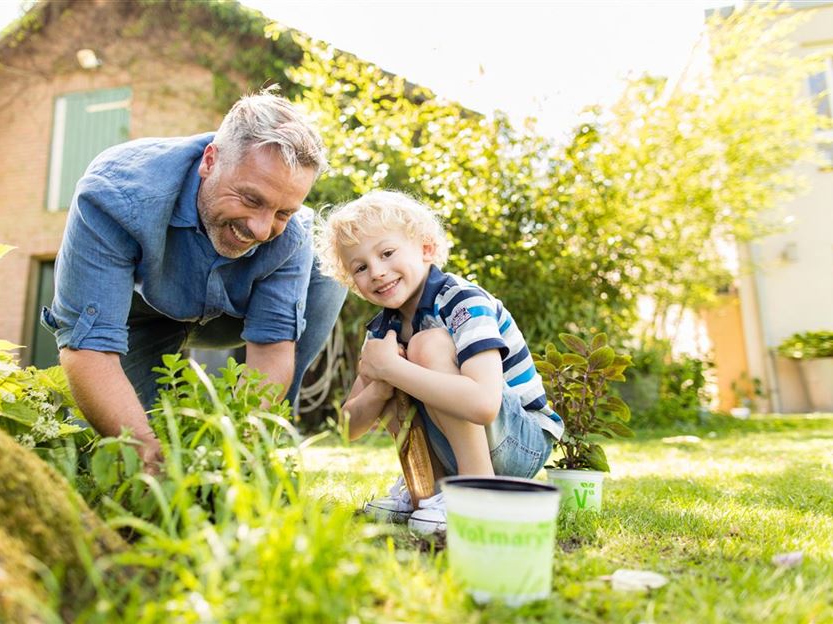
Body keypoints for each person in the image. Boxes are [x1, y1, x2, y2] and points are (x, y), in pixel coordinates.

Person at [42, 90, 347, 471]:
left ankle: (261, 445)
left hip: (233, 318)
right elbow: (89, 349)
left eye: (283, 211)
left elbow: (271, 351)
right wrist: (148, 457)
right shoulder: (116, 194)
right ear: (210, 161)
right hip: (147, 315)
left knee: (327, 268)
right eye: (251, 200)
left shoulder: (291, 234)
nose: (261, 228)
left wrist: (232, 451)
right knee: (125, 443)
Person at [315, 190, 563, 534]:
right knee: (392, 366)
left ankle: (477, 492)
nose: (377, 272)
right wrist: (383, 384)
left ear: (426, 249)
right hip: (460, 443)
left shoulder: (463, 302)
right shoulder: (382, 331)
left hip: (519, 444)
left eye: (387, 253)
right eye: (360, 267)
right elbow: (348, 428)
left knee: (425, 345)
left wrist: (393, 369)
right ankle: (427, 494)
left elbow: (484, 404)